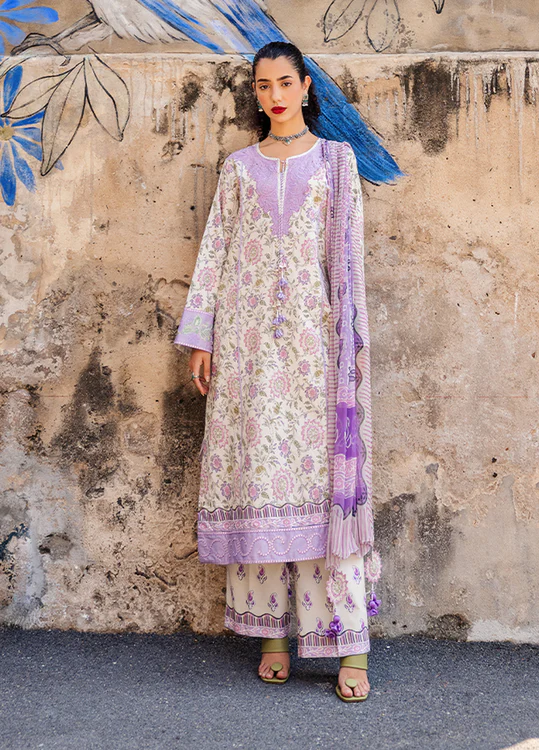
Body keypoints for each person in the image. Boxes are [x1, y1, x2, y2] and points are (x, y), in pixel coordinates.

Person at [173, 40, 381, 702]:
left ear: (306, 86)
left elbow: (347, 260)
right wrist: (201, 338)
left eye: (285, 82)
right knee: (260, 476)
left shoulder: (337, 162)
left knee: (322, 487)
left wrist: (347, 347)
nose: (275, 95)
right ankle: (271, 636)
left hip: (314, 348)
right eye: (264, 86)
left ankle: (349, 645)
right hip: (246, 347)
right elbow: (215, 252)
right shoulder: (239, 168)